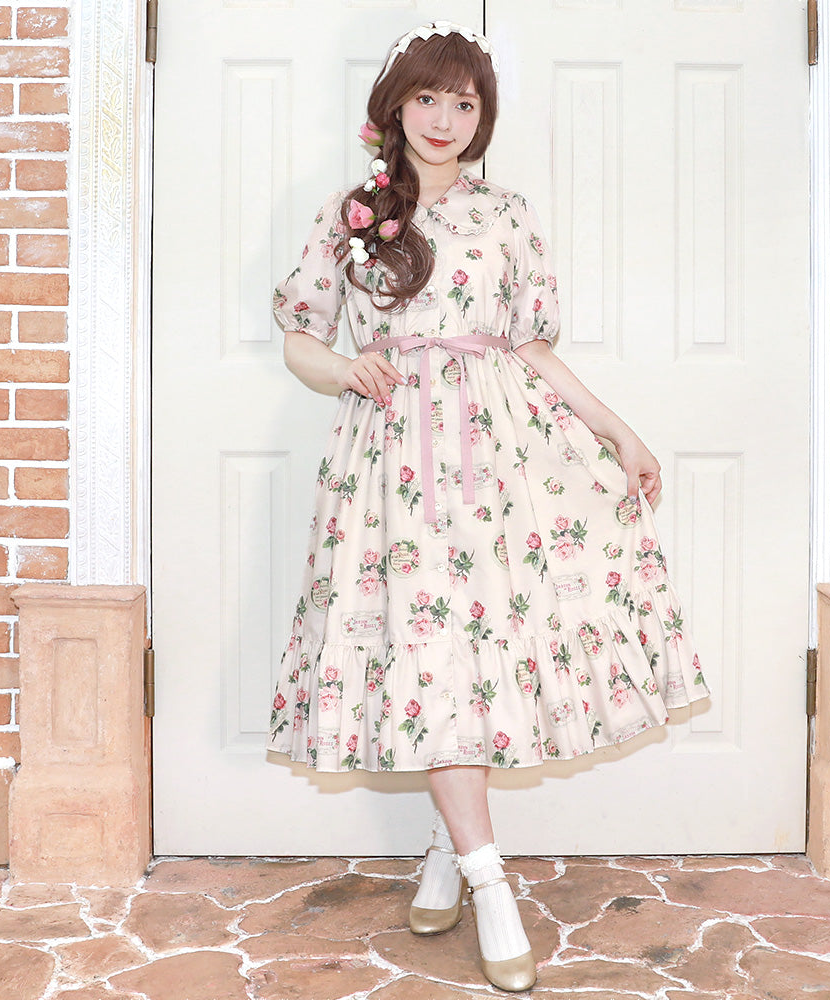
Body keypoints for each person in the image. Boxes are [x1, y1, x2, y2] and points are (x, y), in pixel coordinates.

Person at [267, 20, 710, 993]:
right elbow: (300, 332)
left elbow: (530, 347)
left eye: (463, 103)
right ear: (393, 106)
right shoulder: (351, 211)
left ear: (484, 117)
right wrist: (345, 367)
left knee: (474, 651)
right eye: (427, 97)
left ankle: (446, 855)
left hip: (500, 456)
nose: (443, 118)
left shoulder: (506, 214)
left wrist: (617, 432)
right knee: (426, 651)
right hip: (391, 461)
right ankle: (488, 881)